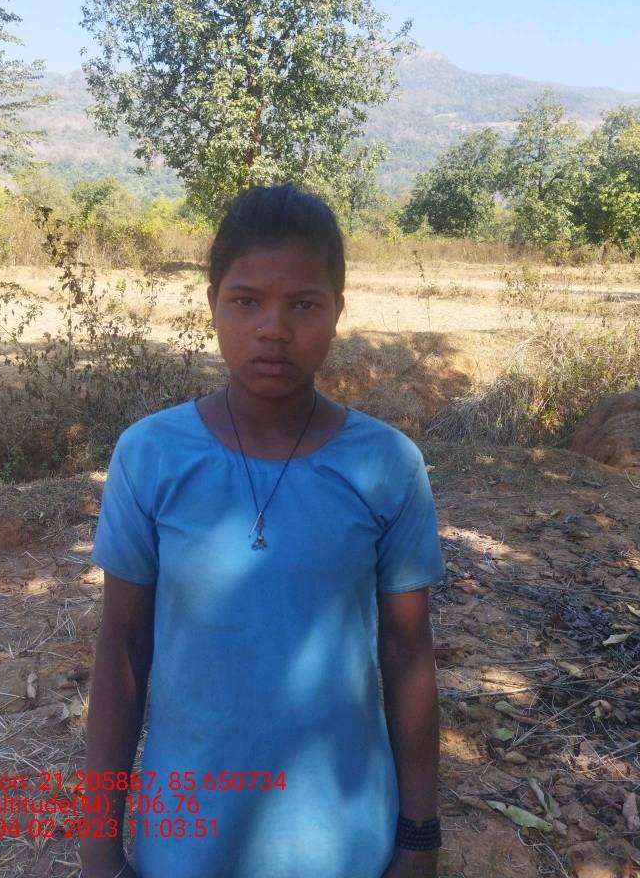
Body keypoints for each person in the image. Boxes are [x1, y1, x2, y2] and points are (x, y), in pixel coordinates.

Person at [79, 183, 446, 878]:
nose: (273, 329)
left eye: (304, 304)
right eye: (246, 301)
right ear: (213, 304)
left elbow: (407, 655)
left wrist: (419, 837)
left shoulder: (386, 465)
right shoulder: (151, 455)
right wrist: (99, 844)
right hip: (187, 836)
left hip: (342, 836)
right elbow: (123, 651)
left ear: (337, 311)